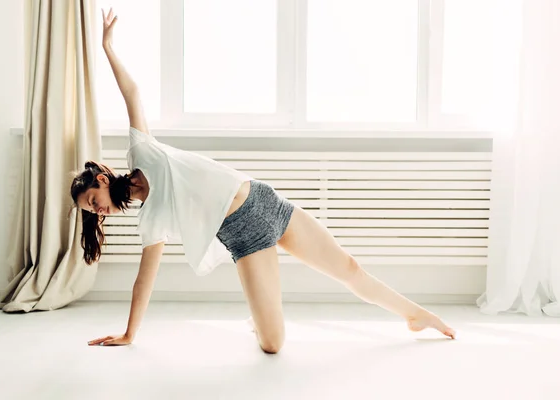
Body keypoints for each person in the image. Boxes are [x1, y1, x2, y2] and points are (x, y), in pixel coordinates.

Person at [71, 8, 456, 353]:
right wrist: (129, 333)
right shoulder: (149, 220)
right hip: (243, 234)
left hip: (263, 200)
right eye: (92, 211)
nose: (98, 210)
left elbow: (132, 92)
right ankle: (260, 321)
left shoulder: (141, 151)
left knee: (349, 267)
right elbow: (144, 281)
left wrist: (108, 46)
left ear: (102, 178)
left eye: (92, 200)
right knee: (273, 344)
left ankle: (414, 314)